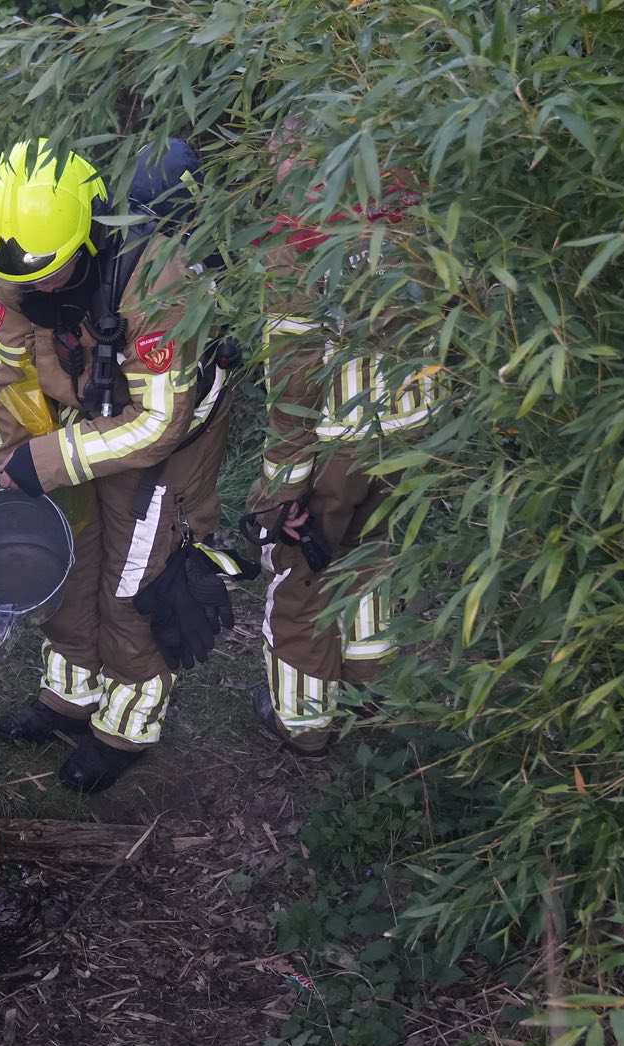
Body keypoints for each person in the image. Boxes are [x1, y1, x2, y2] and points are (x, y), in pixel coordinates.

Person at [0, 139, 241, 794]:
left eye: (51, 273)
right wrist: (15, 457)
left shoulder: (155, 278)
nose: (34, 288)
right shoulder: (13, 259)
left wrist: (50, 459)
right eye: (23, 278)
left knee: (134, 575)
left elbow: (159, 424)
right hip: (84, 410)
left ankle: (126, 726)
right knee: (71, 553)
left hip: (170, 432)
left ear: (87, 234)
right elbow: (10, 369)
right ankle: (69, 696)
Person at [247, 136, 436, 755]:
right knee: (371, 560)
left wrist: (282, 482)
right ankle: (367, 692)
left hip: (335, 445)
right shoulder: (414, 212)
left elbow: (294, 375)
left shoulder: (300, 238)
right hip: (414, 431)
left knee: (300, 574)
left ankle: (304, 722)